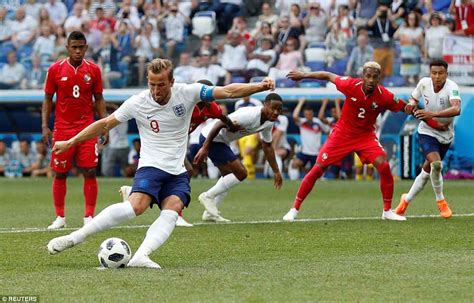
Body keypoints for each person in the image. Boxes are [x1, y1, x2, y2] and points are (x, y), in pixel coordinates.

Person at [47, 58, 275, 269]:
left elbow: (227, 91)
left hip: (177, 170)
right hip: (151, 166)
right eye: (151, 84)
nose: (156, 91)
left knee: (173, 209)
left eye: (161, 85)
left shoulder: (188, 92)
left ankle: (141, 256)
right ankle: (75, 237)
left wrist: (259, 87)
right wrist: (71, 141)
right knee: (136, 207)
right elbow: (105, 123)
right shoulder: (138, 102)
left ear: (172, 82)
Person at [282, 62, 415, 222]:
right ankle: (294, 209)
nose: (371, 80)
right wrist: (304, 75)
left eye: (375, 77)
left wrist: (412, 108)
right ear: (363, 76)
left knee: (384, 165)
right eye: (368, 76)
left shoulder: (385, 95)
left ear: (379, 78)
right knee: (318, 168)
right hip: (342, 134)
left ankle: (387, 211)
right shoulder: (350, 84)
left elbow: (404, 107)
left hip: (365, 136)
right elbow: (328, 75)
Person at [119, 79, 238, 227]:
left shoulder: (211, 107)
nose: (210, 98)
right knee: (185, 171)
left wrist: (231, 125)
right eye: (207, 94)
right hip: (163, 141)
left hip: (178, 144)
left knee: (185, 172)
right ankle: (175, 214)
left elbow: (221, 117)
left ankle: (134, 193)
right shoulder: (186, 103)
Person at [42, 31, 107, 230]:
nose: (78, 51)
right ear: (67, 48)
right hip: (62, 129)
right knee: (60, 173)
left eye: (81, 47)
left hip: (87, 127)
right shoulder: (55, 70)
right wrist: (45, 126)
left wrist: (104, 125)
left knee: (89, 170)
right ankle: (60, 217)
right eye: (74, 47)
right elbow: (47, 99)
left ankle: (88, 216)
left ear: (86, 48)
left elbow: (99, 99)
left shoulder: (94, 70)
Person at [194, 93, 284, 222]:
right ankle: (208, 196)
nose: (276, 112)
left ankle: (210, 214)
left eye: (279, 110)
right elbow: (219, 123)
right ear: (265, 105)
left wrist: (276, 171)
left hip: (222, 141)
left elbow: (268, 147)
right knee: (241, 173)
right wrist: (205, 147)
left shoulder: (269, 123)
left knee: (227, 178)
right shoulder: (250, 115)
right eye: (273, 108)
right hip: (211, 138)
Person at [395, 59, 461, 219]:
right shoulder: (424, 83)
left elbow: (456, 108)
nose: (437, 76)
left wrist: (432, 114)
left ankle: (406, 200)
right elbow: (413, 99)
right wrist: (411, 104)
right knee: (436, 165)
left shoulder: (452, 87)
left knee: (427, 170)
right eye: (434, 73)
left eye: (440, 73)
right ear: (429, 73)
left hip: (446, 135)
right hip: (426, 131)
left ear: (446, 73)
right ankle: (441, 201)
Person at [288, 98, 330, 180]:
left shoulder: (318, 122)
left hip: (316, 153)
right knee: (294, 164)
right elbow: (294, 116)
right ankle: (293, 182)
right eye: (306, 114)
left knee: (317, 174)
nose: (308, 116)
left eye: (310, 114)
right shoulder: (302, 122)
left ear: (312, 114)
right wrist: (300, 102)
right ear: (304, 114)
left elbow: (328, 131)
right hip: (305, 152)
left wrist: (325, 145)